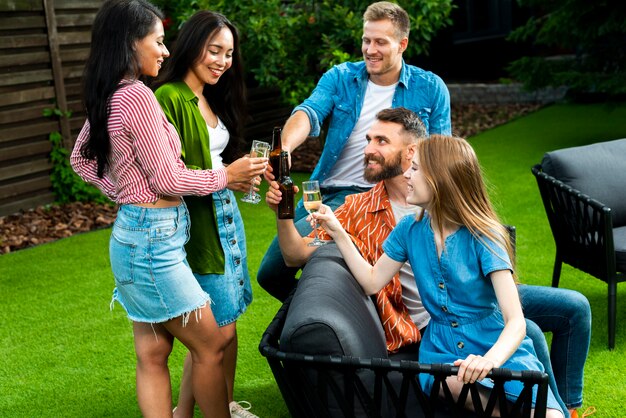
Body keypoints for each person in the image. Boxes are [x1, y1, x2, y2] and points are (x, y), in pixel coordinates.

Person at [267, 108, 590, 417]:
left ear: (437, 176)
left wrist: (488, 361)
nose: (408, 174)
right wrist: (336, 231)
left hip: (484, 328)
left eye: (416, 168)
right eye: (369, 140)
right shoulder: (397, 224)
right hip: (440, 342)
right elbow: (367, 280)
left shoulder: (481, 234)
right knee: (488, 373)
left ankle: (560, 408)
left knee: (544, 334)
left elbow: (514, 321)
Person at [70, 1, 267, 416]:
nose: (164, 51)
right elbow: (169, 181)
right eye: (158, 41)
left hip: (134, 235)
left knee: (154, 354)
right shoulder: (139, 95)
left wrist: (125, 192)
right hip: (153, 242)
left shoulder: (109, 93)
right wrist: (225, 177)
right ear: (130, 43)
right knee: (212, 344)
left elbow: (81, 161)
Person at [257, 1, 451, 301]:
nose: (370, 49)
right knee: (270, 273)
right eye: (366, 40)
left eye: (380, 42)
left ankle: (333, 317)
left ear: (402, 44)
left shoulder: (430, 88)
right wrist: (284, 149)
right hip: (329, 193)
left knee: (299, 260)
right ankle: (322, 315)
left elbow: (442, 154)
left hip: (387, 195)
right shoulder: (341, 77)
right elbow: (308, 112)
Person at [152, 10, 258, 418]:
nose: (222, 61)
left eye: (228, 53)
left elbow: (215, 165)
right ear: (192, 45)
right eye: (214, 50)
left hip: (225, 216)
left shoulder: (208, 96)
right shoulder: (169, 97)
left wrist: (239, 177)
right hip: (196, 224)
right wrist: (225, 176)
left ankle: (221, 405)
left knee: (228, 325)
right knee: (215, 331)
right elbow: (169, 174)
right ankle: (187, 411)